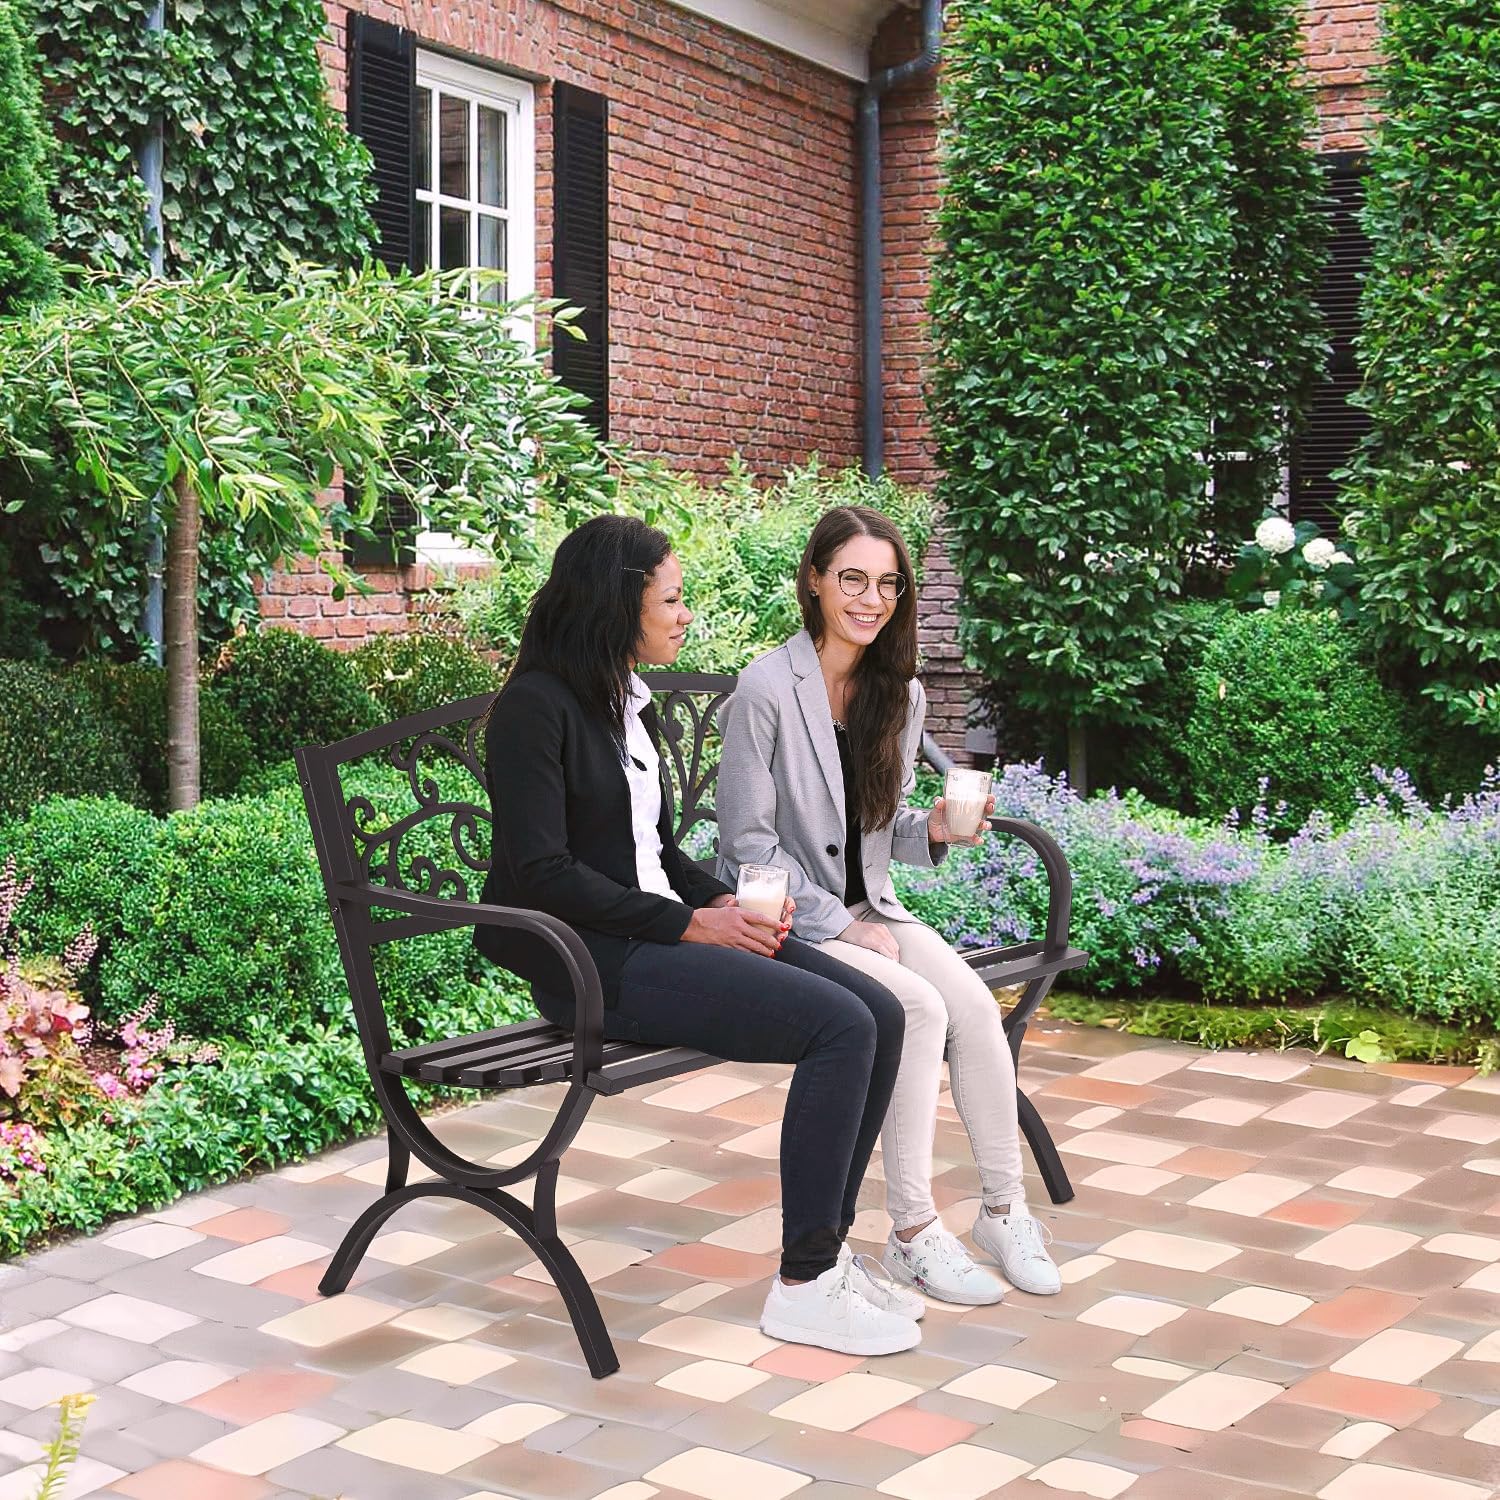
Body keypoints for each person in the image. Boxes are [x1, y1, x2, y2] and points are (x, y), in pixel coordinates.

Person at [476, 514, 924, 1355]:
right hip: (597, 965)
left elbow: (654, 854)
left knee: (883, 1013)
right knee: (840, 1027)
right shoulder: (535, 710)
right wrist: (692, 926)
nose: (685, 616)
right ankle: (804, 1285)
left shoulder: (625, 703)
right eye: (672, 601)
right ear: (618, 607)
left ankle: (827, 1255)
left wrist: (728, 904)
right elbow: (542, 873)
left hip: (656, 939)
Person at [716, 505, 1062, 1305]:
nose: (870, 600)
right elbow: (746, 850)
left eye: (887, 584)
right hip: (789, 917)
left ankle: (1004, 1212)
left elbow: (875, 828)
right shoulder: (767, 687)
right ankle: (912, 1232)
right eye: (852, 580)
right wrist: (841, 926)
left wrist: (929, 830)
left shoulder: (897, 693)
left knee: (972, 1006)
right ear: (814, 581)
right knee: (917, 1007)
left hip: (870, 908)